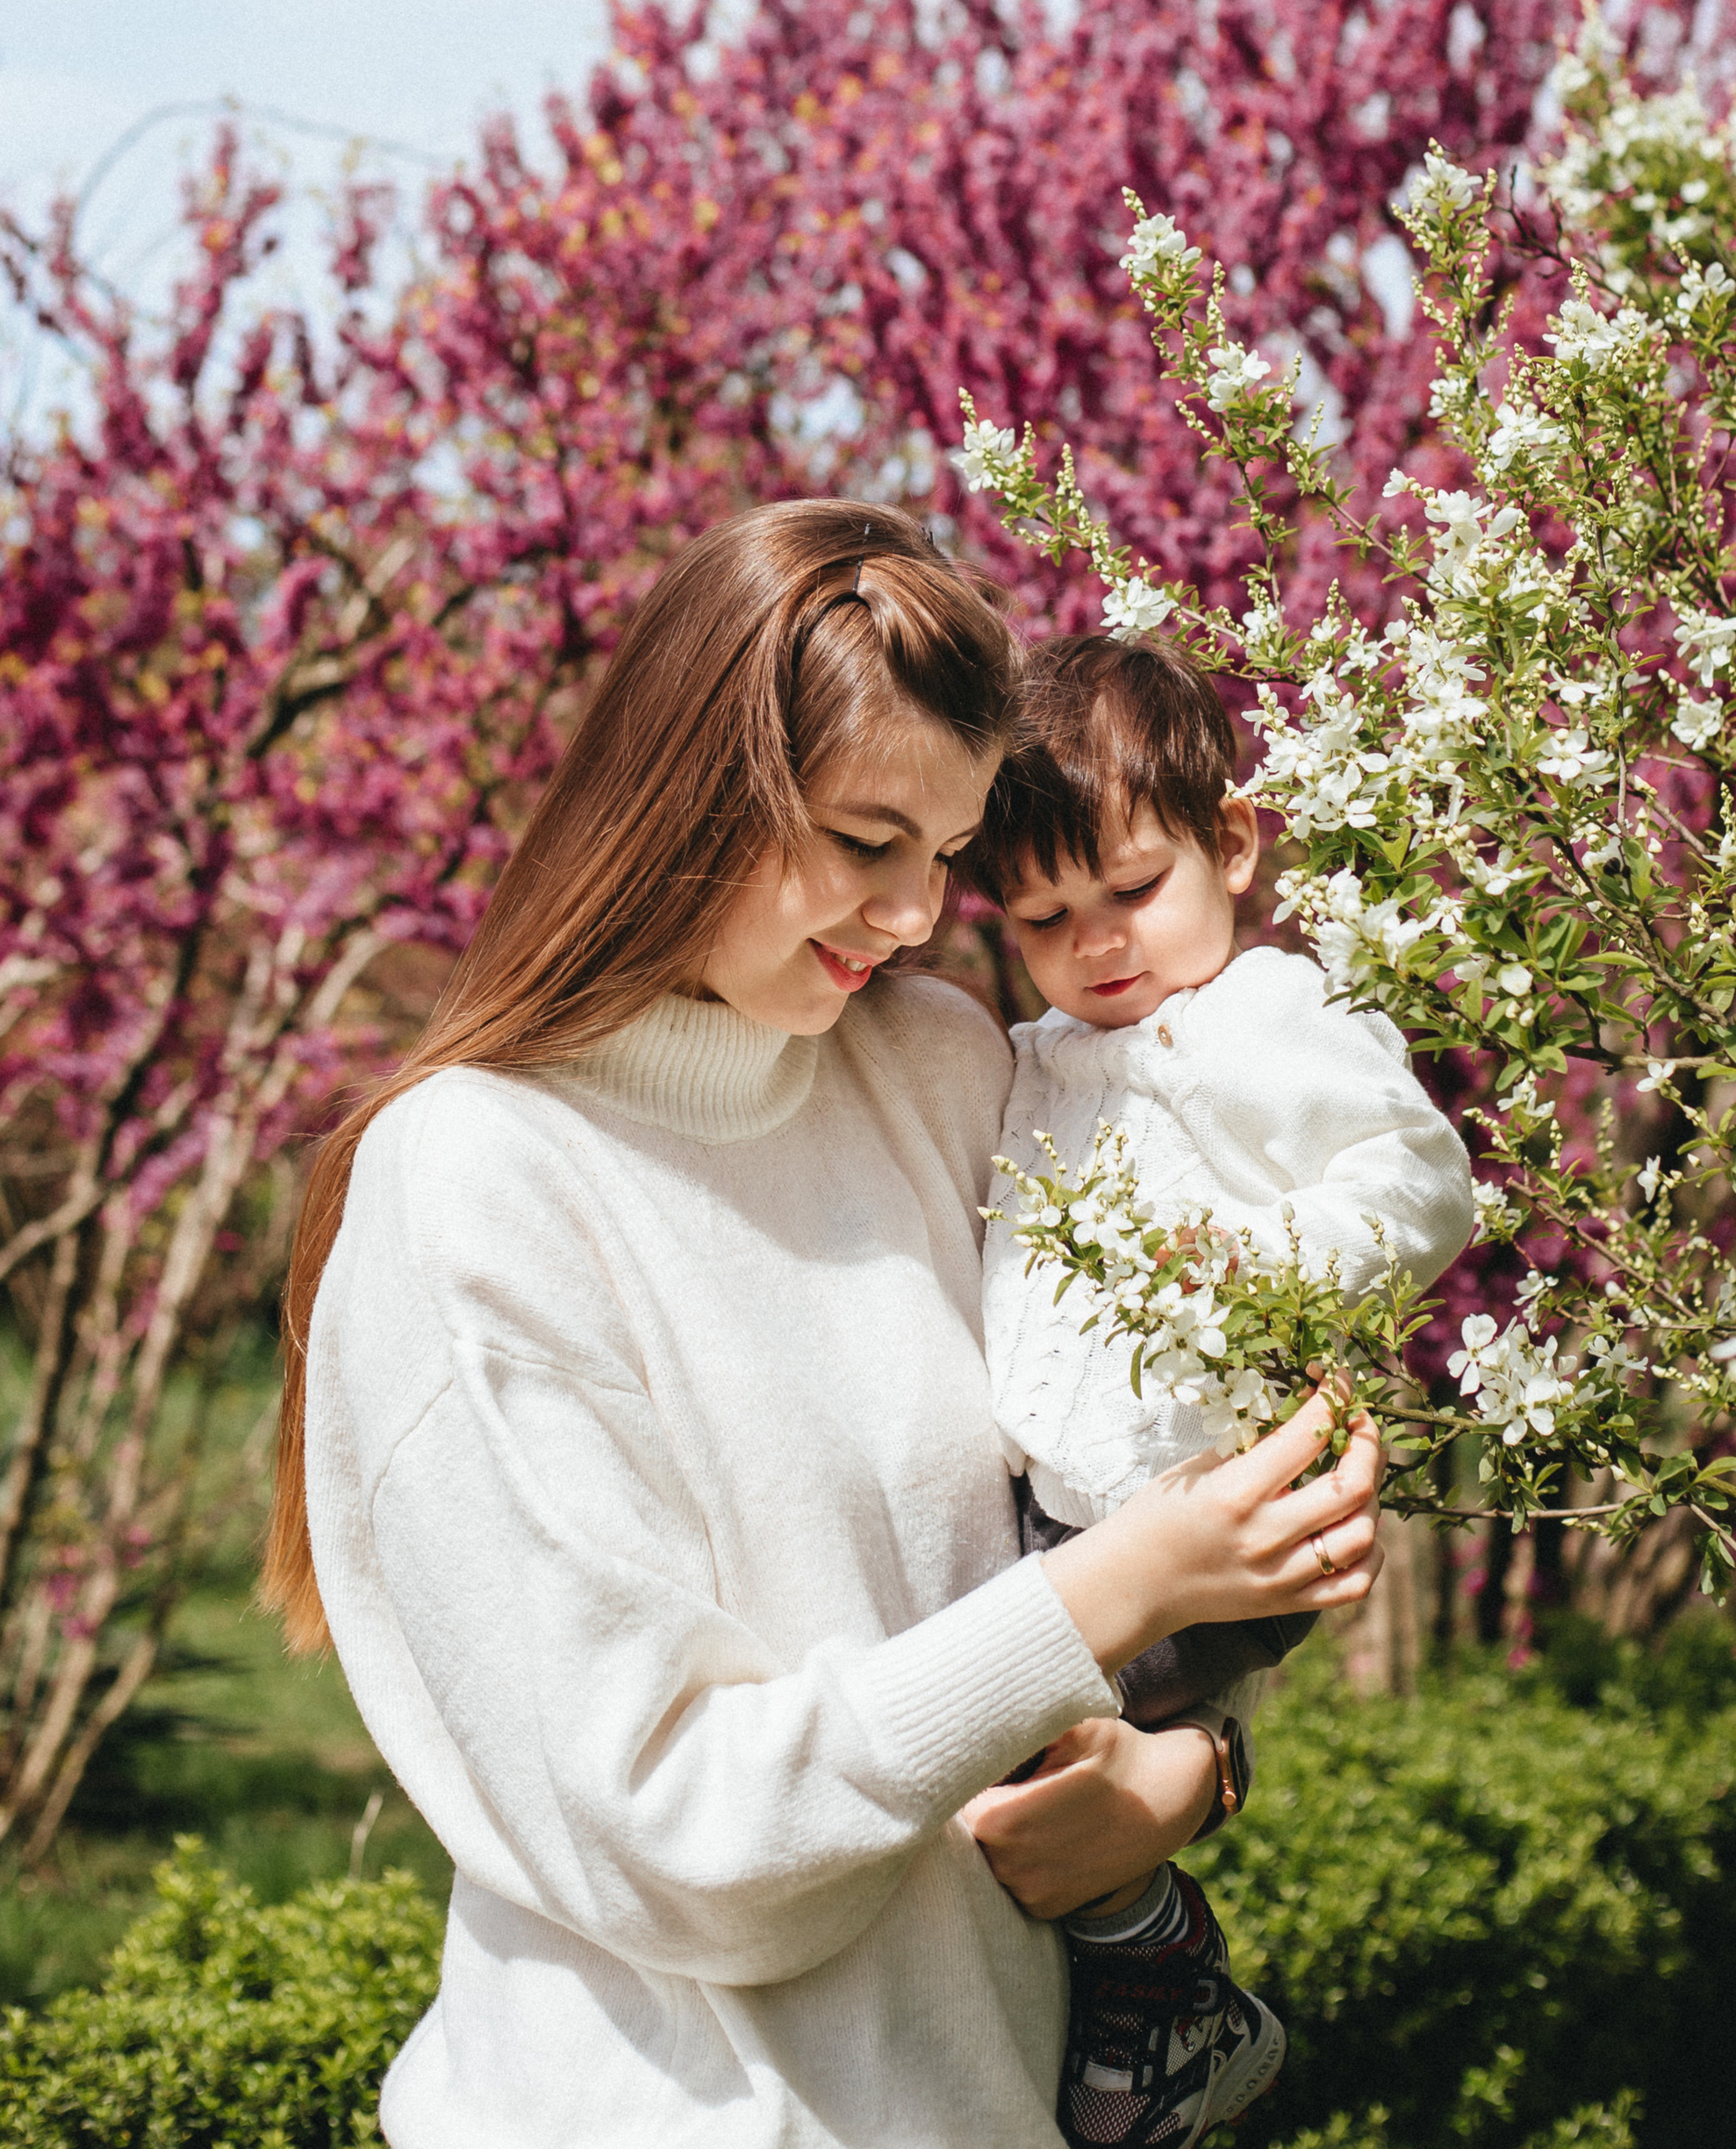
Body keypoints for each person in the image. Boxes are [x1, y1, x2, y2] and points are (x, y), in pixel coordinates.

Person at [264, 500, 1387, 2149]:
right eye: (868, 844)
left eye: (945, 858)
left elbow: (1066, 1516)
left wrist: (1186, 1763)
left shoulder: (931, 1072)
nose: (920, 916)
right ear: (695, 793)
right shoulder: (480, 1186)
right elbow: (679, 1846)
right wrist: (1124, 1587)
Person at [969, 630, 1475, 2149]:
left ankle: (1167, 1981)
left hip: (1215, 1518)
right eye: (1049, 918)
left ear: (1232, 846)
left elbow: (1421, 1180)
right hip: (1069, 1517)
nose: (1102, 942)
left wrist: (1264, 1264)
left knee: (1007, 1740)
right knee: (1018, 1762)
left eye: (1134, 889)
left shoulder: (1271, 1018)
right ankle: (1150, 1985)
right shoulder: (1034, 1058)